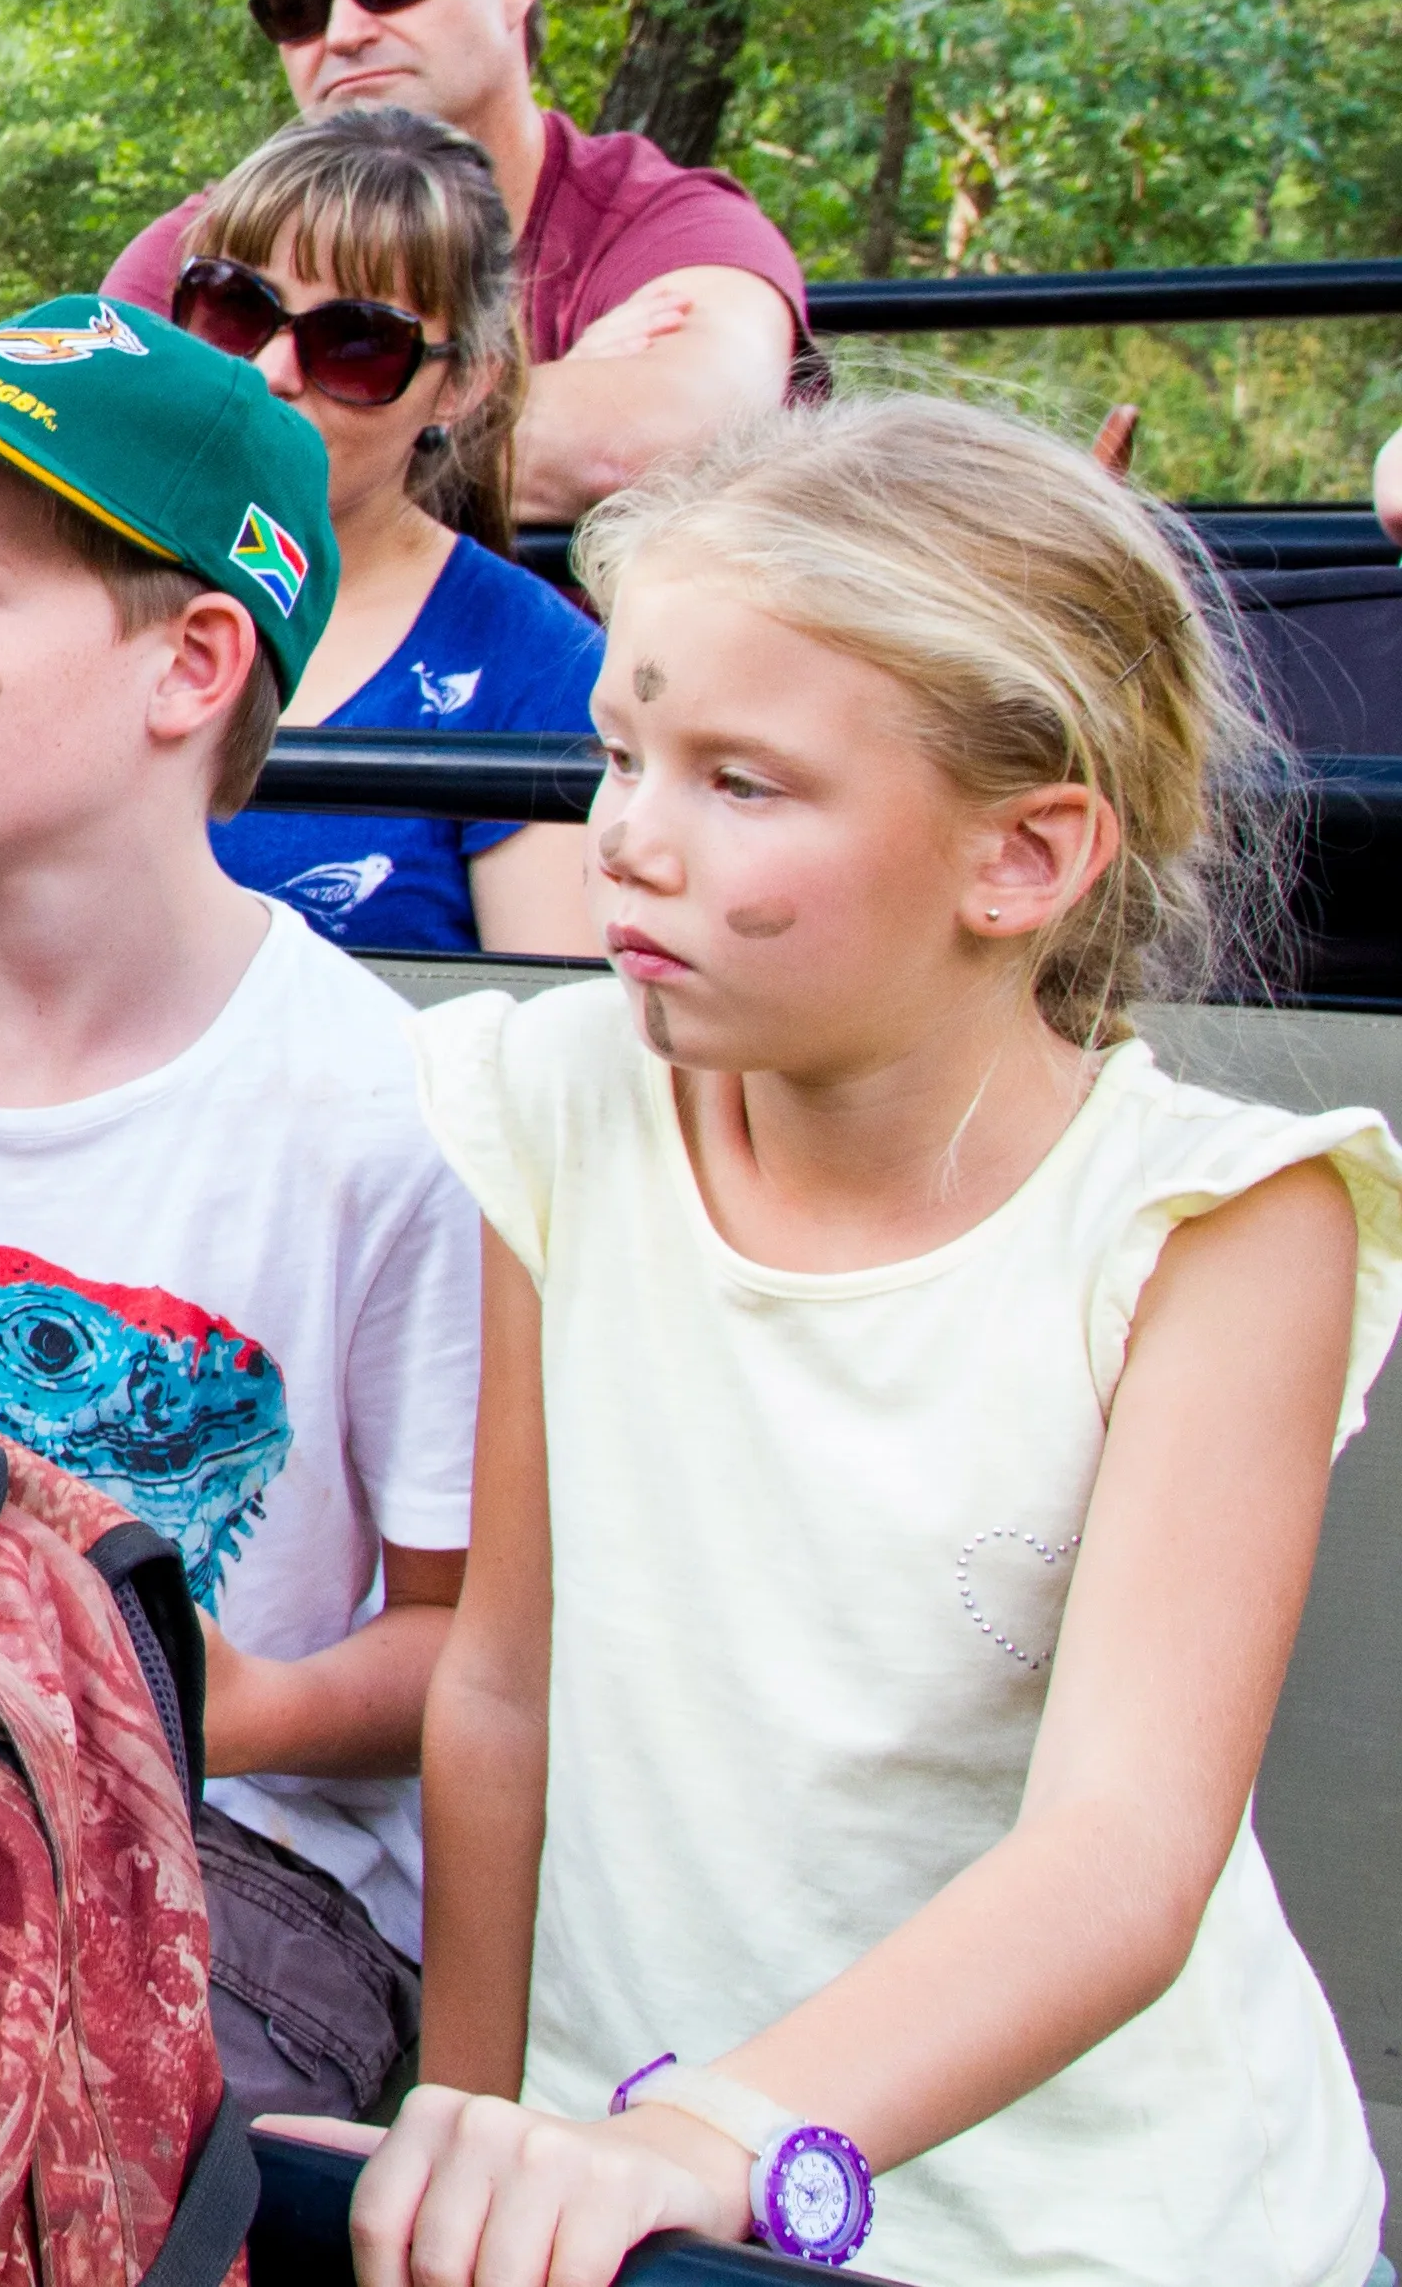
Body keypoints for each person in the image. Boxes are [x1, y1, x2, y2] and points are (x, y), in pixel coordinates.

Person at [348, 397, 1397, 2287]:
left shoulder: (1214, 1224)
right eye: (618, 756)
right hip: (621, 2187)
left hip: (1085, 2232)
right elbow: (501, 1683)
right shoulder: (556, 1107)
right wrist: (483, 2125)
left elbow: (1121, 1849)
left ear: (1019, 858)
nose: (626, 844)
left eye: (735, 784)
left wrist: (713, 2133)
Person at [0, 297, 488, 2125]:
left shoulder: (385, 1124)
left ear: (189, 663)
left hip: (216, 1865)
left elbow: (464, 1650)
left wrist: (159, 1693)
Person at [101, 0, 811, 524]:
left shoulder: (670, 229)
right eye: (297, 7)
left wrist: (238, 440)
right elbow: (93, 458)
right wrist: (524, 401)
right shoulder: (199, 258)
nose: (344, 30)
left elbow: (656, 443)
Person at [169, 107, 605, 956]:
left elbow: (541, 1026)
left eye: (356, 342)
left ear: (462, 386)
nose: (271, 371)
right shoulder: (72, 562)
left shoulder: (537, 670)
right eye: (233, 308)